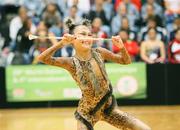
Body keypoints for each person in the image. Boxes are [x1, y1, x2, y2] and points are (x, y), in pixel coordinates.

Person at [38, 19, 151, 130]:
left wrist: (121, 47)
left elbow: (126, 61)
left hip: (109, 108)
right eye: (83, 34)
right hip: (87, 114)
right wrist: (61, 43)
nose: (87, 37)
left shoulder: (100, 52)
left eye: (90, 34)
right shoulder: (70, 62)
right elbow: (42, 58)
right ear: (72, 39)